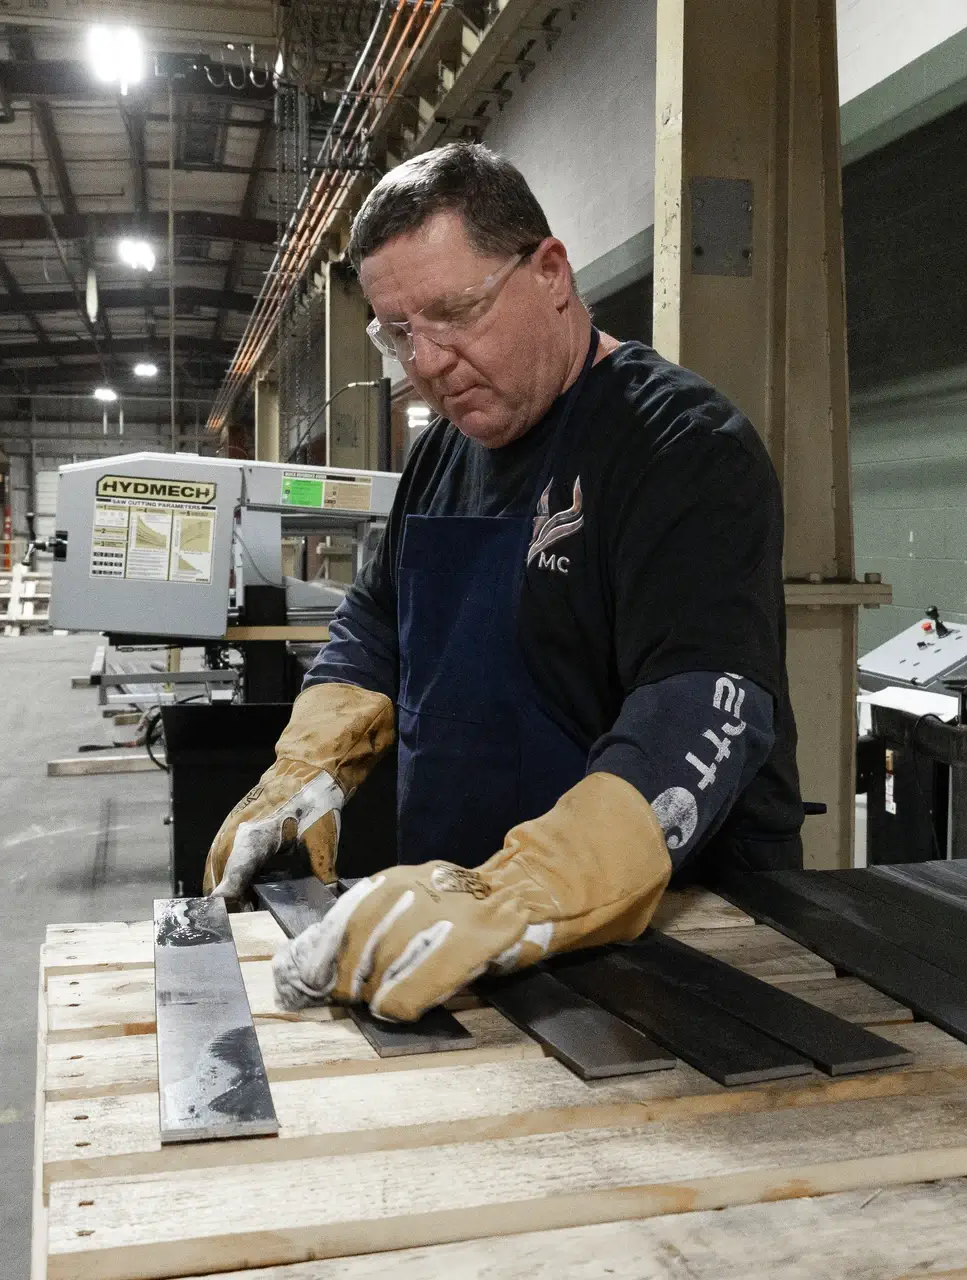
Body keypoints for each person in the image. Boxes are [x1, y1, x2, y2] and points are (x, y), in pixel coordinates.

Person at [204, 142, 801, 1022]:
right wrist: (306, 774)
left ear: (550, 273)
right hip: (460, 931)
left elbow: (697, 700)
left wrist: (522, 891)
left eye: (455, 313)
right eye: (398, 332)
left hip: (671, 939)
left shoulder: (682, 446)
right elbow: (375, 625)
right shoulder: (446, 452)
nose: (429, 362)